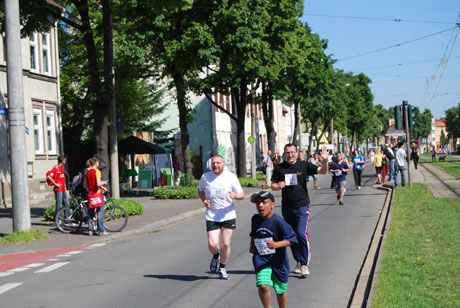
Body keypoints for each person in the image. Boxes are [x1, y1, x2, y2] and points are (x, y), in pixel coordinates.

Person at [271, 143, 329, 278]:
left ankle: (304, 263)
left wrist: (325, 161)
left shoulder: (304, 165)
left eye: (292, 152)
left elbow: (322, 171)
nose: (290, 155)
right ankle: (298, 261)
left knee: (301, 233)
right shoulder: (280, 168)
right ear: (284, 154)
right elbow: (273, 185)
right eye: (287, 152)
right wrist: (278, 186)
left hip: (302, 205)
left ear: (297, 153)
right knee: (292, 236)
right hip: (287, 207)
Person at [198, 155, 245, 280]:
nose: (216, 165)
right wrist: (204, 201)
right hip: (212, 214)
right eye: (213, 163)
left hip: (228, 213)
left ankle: (222, 268)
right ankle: (215, 256)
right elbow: (200, 190)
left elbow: (242, 195)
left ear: (224, 164)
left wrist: (235, 195)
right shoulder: (205, 177)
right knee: (212, 244)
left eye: (218, 163)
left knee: (226, 243)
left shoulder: (231, 177)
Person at [249, 191, 297, 308]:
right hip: (261, 258)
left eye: (264, 202)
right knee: (263, 285)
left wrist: (277, 244)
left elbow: (292, 239)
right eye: (257, 203)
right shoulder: (255, 219)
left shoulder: (278, 221)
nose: (260, 205)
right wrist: (252, 245)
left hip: (278, 260)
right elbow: (254, 234)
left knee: (280, 289)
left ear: (272, 204)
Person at [84, 157, 108, 236]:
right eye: (97, 162)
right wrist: (103, 182)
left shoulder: (87, 173)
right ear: (96, 163)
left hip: (90, 195)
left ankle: (90, 230)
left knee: (90, 213)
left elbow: (85, 185)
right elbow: (98, 183)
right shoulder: (97, 172)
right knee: (100, 212)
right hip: (97, 194)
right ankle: (101, 230)